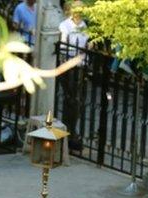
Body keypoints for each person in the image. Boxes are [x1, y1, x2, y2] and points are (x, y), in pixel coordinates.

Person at [57, 1, 88, 152]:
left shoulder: (85, 26)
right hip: (69, 65)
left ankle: (72, 131)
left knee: (78, 100)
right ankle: (66, 131)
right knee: (69, 99)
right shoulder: (65, 25)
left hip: (80, 66)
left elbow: (86, 46)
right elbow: (63, 46)